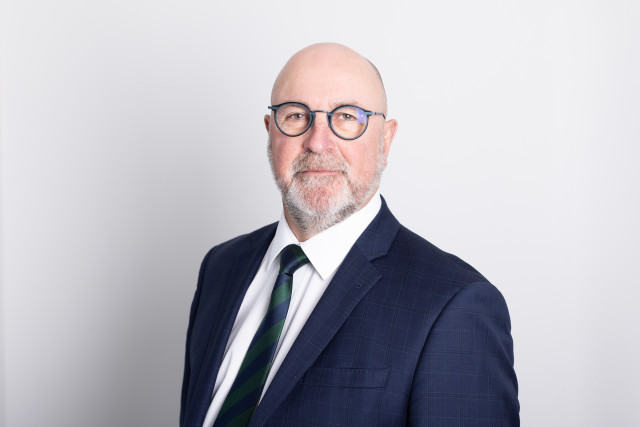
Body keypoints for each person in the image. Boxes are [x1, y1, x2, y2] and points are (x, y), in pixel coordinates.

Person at [180, 43, 519, 427]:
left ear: (385, 139)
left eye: (346, 117)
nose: (317, 141)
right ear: (270, 131)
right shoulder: (222, 268)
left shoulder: (454, 305)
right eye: (296, 115)